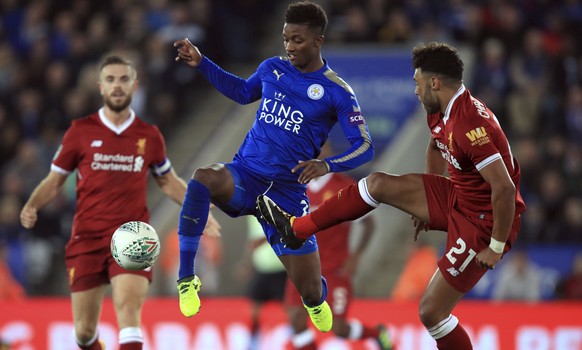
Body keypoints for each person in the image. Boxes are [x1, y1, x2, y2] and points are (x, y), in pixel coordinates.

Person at [258, 42, 526, 349]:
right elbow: (436, 145)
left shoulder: (469, 124)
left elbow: (503, 188)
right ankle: (298, 229)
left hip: (485, 222)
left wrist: (494, 246)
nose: (415, 90)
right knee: (377, 183)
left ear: (434, 83)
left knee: (431, 313)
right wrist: (428, 199)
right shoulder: (440, 108)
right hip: (458, 197)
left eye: (417, 82)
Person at [172, 0, 374, 334]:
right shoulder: (272, 68)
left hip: (286, 196)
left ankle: (315, 298)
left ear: (318, 41)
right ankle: (186, 278)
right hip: (246, 175)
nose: (290, 46)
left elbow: (365, 146)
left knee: (309, 291)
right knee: (203, 178)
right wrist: (202, 63)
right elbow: (241, 92)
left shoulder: (337, 91)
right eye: (286, 39)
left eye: (297, 39)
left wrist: (327, 165)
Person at [19, 55, 219, 350]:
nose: (117, 86)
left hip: (132, 236)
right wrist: (31, 205)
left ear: (135, 86)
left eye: (124, 79)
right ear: (100, 87)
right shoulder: (80, 131)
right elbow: (55, 179)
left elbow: (167, 180)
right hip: (86, 237)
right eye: (110, 80)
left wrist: (198, 209)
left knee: (128, 311)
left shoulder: (149, 135)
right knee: (84, 331)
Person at [284, 142, 392, 350]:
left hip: (335, 268)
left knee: (339, 328)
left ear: (329, 152)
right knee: (296, 319)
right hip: (303, 267)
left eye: (320, 148)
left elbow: (368, 224)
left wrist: (356, 256)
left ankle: (377, 333)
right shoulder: (296, 187)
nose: (314, 153)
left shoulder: (342, 186)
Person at [236, 216, 287, 349]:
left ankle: (295, 342)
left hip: (281, 267)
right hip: (262, 268)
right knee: (253, 312)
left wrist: (264, 239)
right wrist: (247, 264)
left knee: (292, 312)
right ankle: (253, 345)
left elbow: (284, 225)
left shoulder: (274, 201)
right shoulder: (248, 210)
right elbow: (252, 240)